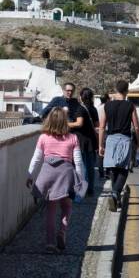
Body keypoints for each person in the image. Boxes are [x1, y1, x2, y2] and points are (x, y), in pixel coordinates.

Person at [26, 108, 87, 253]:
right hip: (66, 174)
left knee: (51, 210)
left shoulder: (43, 137)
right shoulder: (73, 138)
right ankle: (62, 231)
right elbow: (78, 162)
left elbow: (36, 158)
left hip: (48, 173)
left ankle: (50, 243)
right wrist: (80, 180)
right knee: (67, 206)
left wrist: (30, 175)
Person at [99, 80, 139, 212]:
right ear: (126, 91)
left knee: (113, 168)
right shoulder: (130, 106)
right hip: (124, 139)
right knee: (123, 169)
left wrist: (100, 145)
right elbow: (136, 126)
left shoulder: (107, 106)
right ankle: (115, 193)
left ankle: (115, 198)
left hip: (110, 139)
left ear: (116, 89)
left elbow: (101, 127)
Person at [70, 88, 99, 197]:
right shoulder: (93, 109)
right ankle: (90, 188)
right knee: (90, 166)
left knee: (80, 165)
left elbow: (79, 123)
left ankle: (81, 188)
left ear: (81, 96)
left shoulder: (80, 109)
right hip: (91, 140)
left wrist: (66, 124)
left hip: (81, 140)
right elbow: (97, 125)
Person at [97, 93, 110, 179]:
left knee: (100, 151)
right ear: (107, 99)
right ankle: (107, 172)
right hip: (107, 131)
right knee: (108, 152)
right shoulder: (108, 107)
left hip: (98, 131)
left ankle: (101, 172)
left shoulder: (97, 108)